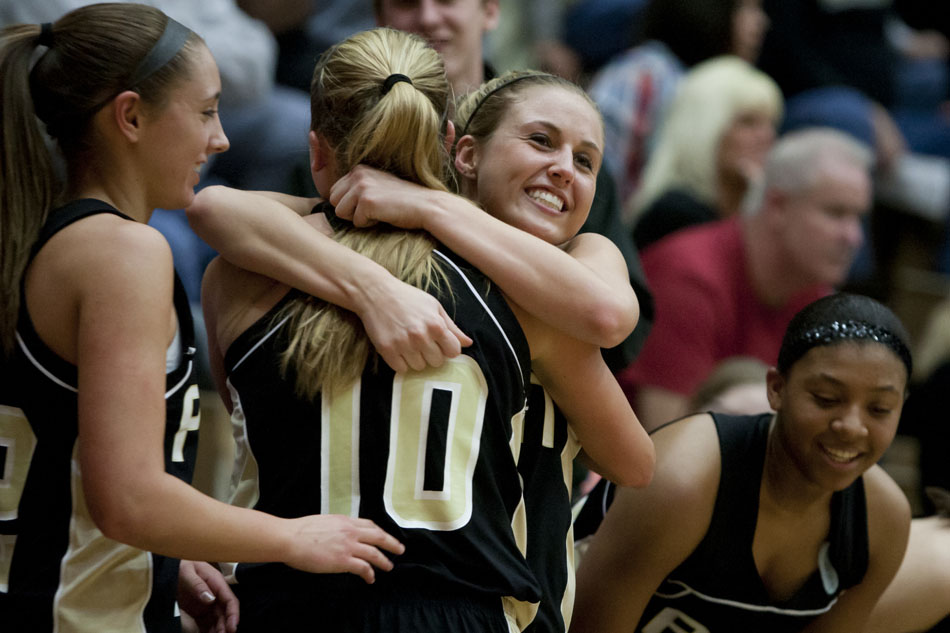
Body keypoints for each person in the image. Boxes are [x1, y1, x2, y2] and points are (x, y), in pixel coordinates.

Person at [199, 29, 654, 632]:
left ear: (318, 151)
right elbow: (634, 457)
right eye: (541, 141)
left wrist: (428, 208)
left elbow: (609, 315)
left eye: (586, 160)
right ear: (458, 151)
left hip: (299, 600)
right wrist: (374, 286)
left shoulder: (263, 264)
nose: (563, 169)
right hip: (475, 601)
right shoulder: (523, 307)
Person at [0, 6, 401, 632]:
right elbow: (128, 498)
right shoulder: (121, 254)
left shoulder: (54, 232)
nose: (221, 140)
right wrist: (293, 538)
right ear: (130, 116)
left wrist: (163, 556)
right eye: (207, 110)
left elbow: (79, 475)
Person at [572, 292, 913, 632]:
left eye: (879, 409)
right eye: (826, 399)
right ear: (776, 389)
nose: (852, 427)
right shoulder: (683, 481)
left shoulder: (883, 521)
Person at [620, 127, 873, 431]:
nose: (854, 237)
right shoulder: (687, 278)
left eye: (858, 217)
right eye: (835, 213)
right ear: (778, 205)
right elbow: (666, 447)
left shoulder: (815, 294)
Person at [588, 0, 770, 206]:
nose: (761, 22)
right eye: (746, 8)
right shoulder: (645, 76)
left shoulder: (722, 83)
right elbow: (600, 179)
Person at [627, 55, 782, 249]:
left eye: (771, 124)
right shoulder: (676, 213)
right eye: (748, 122)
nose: (767, 136)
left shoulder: (737, 211)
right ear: (705, 132)